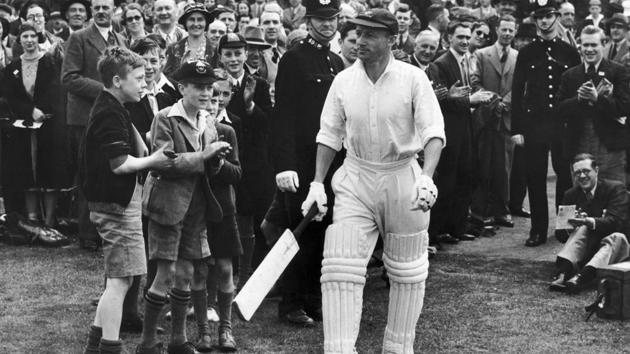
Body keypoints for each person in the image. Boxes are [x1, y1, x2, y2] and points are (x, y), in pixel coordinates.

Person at [300, 8, 445, 353]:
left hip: (402, 176)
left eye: (369, 35)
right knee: (339, 268)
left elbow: (433, 132)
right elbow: (329, 134)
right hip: (356, 175)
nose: (360, 41)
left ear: (391, 40)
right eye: (358, 34)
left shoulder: (413, 78)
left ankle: (398, 348)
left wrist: (426, 178)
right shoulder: (343, 80)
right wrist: (317, 183)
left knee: (407, 273)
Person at [80, 46, 172, 354]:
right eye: (139, 78)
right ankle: (110, 347)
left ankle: (95, 346)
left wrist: (145, 149)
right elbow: (120, 164)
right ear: (117, 81)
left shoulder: (114, 106)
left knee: (123, 278)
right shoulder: (109, 111)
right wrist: (156, 160)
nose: (145, 84)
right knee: (120, 281)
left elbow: (136, 150)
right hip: (115, 206)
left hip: (119, 203)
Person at [136, 60, 231, 354]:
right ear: (181, 88)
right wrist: (205, 155)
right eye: (198, 87)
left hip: (197, 208)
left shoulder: (209, 122)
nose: (205, 93)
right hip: (168, 206)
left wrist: (216, 161)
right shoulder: (165, 118)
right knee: (164, 275)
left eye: (209, 87)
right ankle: (147, 342)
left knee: (186, 274)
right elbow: (164, 163)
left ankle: (178, 339)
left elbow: (208, 170)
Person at [268, 0, 344, 326]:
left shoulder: (337, 61)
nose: (327, 25)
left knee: (324, 231)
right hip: (301, 162)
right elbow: (282, 115)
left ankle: (312, 298)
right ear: (309, 20)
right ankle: (291, 302)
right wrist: (285, 165)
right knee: (299, 230)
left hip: (331, 163)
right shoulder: (294, 58)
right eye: (320, 19)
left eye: (332, 19)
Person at [511, 1, 580, 247]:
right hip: (534, 123)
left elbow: (575, 89)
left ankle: (564, 227)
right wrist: (517, 128)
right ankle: (538, 229)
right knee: (535, 176)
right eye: (539, 17)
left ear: (557, 17)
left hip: (562, 123)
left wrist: (575, 124)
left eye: (548, 16)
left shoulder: (569, 51)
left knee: (565, 177)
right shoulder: (527, 52)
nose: (543, 21)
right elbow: (517, 91)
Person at [62, 0, 126, 245]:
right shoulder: (79, 38)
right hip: (84, 118)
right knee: (88, 175)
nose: (101, 11)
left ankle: (107, 233)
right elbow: (69, 78)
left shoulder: (120, 40)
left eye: (105, 7)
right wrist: (107, 90)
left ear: (113, 10)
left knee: (109, 172)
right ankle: (88, 235)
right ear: (91, 11)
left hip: (112, 117)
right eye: (97, 7)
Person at [428, 21, 493, 244]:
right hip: (450, 130)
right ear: (448, 39)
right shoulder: (441, 64)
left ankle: (457, 228)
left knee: (465, 177)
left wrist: (474, 99)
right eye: (460, 37)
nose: (465, 41)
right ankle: (437, 231)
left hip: (465, 128)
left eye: (467, 37)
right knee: (448, 181)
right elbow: (441, 100)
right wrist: (470, 100)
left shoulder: (465, 60)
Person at [218, 33, 274, 291]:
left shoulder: (258, 84)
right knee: (231, 213)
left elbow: (269, 122)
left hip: (256, 161)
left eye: (238, 53)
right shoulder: (216, 83)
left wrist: (251, 106)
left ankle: (254, 272)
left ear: (245, 54)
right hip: (228, 158)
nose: (234, 59)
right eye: (228, 54)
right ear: (221, 56)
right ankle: (230, 269)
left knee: (256, 214)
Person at [2, 23, 71, 227]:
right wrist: (29, 110)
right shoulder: (13, 66)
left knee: (49, 170)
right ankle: (32, 217)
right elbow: (9, 96)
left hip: (48, 125)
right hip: (24, 127)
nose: (29, 40)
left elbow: (55, 91)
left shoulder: (49, 62)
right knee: (27, 170)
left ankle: (50, 219)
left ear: (38, 38)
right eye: (25, 37)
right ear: (19, 40)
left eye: (33, 36)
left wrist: (42, 110)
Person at [192, 78, 242, 352]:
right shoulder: (188, 132)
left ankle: (225, 328)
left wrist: (219, 161)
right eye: (206, 100)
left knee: (224, 268)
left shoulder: (227, 132)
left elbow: (237, 173)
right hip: (197, 210)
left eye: (215, 100)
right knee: (199, 270)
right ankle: (203, 330)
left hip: (224, 210)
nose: (211, 105)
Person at [557, 25, 630, 185]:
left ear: (603, 45)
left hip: (611, 148)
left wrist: (598, 99)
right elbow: (559, 110)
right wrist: (579, 99)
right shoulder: (570, 75)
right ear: (580, 47)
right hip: (579, 145)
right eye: (585, 45)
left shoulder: (618, 71)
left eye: (594, 45)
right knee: (583, 197)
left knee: (615, 197)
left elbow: (624, 107)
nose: (589, 49)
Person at [549, 154, 630, 294]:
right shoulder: (570, 195)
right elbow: (560, 235)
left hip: (617, 247)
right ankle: (563, 273)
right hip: (588, 248)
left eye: (586, 171)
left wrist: (589, 221)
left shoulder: (615, 188)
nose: (582, 176)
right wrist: (571, 226)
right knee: (582, 228)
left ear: (596, 170)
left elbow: (616, 222)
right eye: (577, 173)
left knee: (616, 236)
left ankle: (581, 278)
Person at [470, 15, 518, 228]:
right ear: (497, 30)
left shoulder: (519, 56)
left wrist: (505, 103)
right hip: (485, 118)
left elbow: (521, 86)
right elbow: (474, 82)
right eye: (504, 29)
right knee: (483, 165)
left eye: (511, 30)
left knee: (504, 167)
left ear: (515, 32)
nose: (507, 33)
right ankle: (479, 211)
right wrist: (492, 100)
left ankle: (502, 210)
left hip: (506, 119)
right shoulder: (482, 54)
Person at [163, 3, 214, 78]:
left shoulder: (214, 49)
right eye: (191, 19)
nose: (196, 24)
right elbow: (166, 78)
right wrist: (182, 69)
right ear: (185, 23)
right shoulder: (173, 49)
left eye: (200, 19)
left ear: (206, 23)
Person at [260, 10, 285, 87]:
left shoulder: (285, 52)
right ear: (260, 27)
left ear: (280, 26)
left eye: (275, 22)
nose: (271, 26)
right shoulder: (256, 53)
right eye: (266, 22)